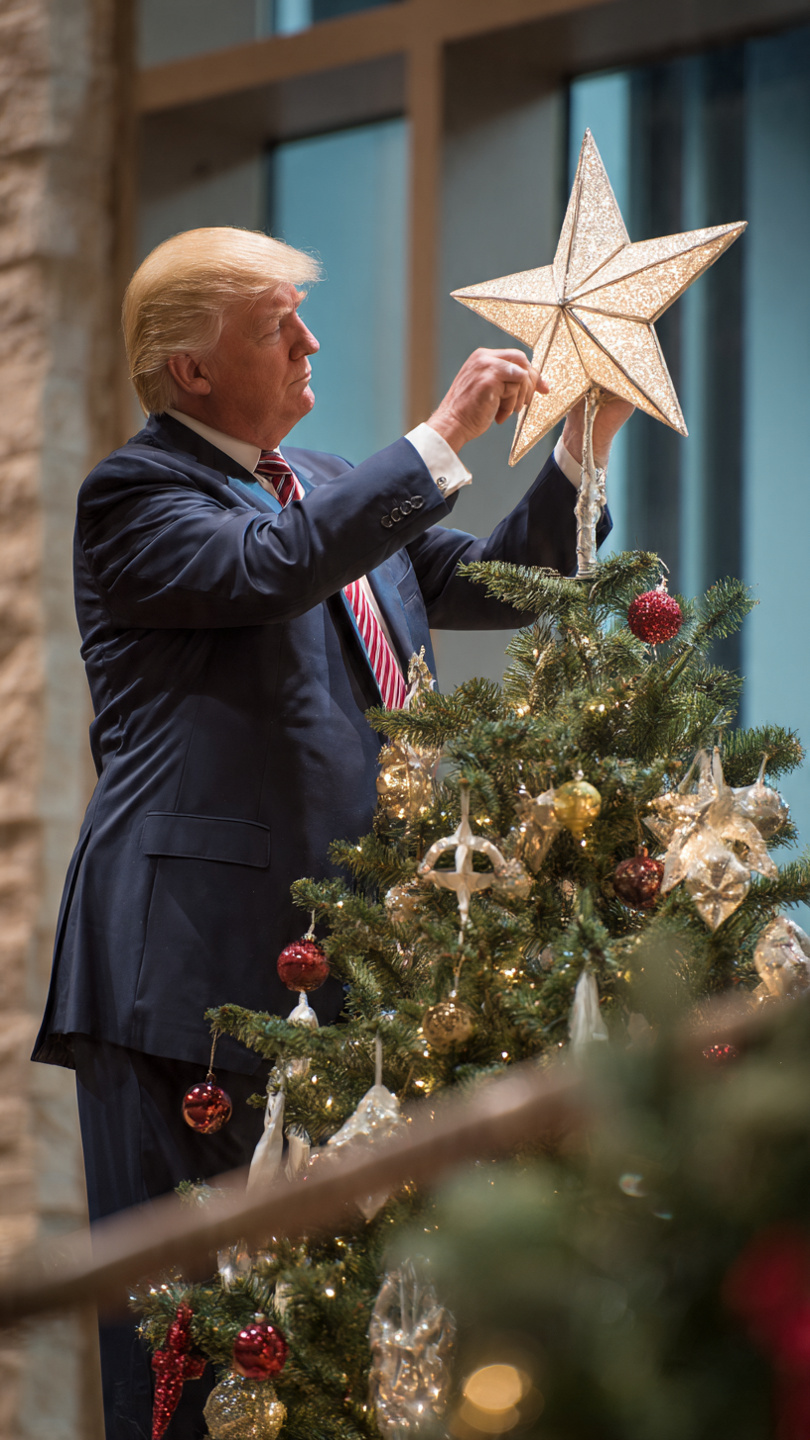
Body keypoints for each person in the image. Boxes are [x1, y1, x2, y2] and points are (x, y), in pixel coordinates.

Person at [33, 227, 630, 1437]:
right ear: (191, 372)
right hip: (184, 975)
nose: (311, 343)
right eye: (275, 327)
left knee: (323, 1335)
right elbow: (275, 567)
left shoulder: (318, 481)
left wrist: (579, 446)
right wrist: (442, 433)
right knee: (191, 1336)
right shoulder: (138, 495)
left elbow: (507, 578)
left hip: (333, 964)